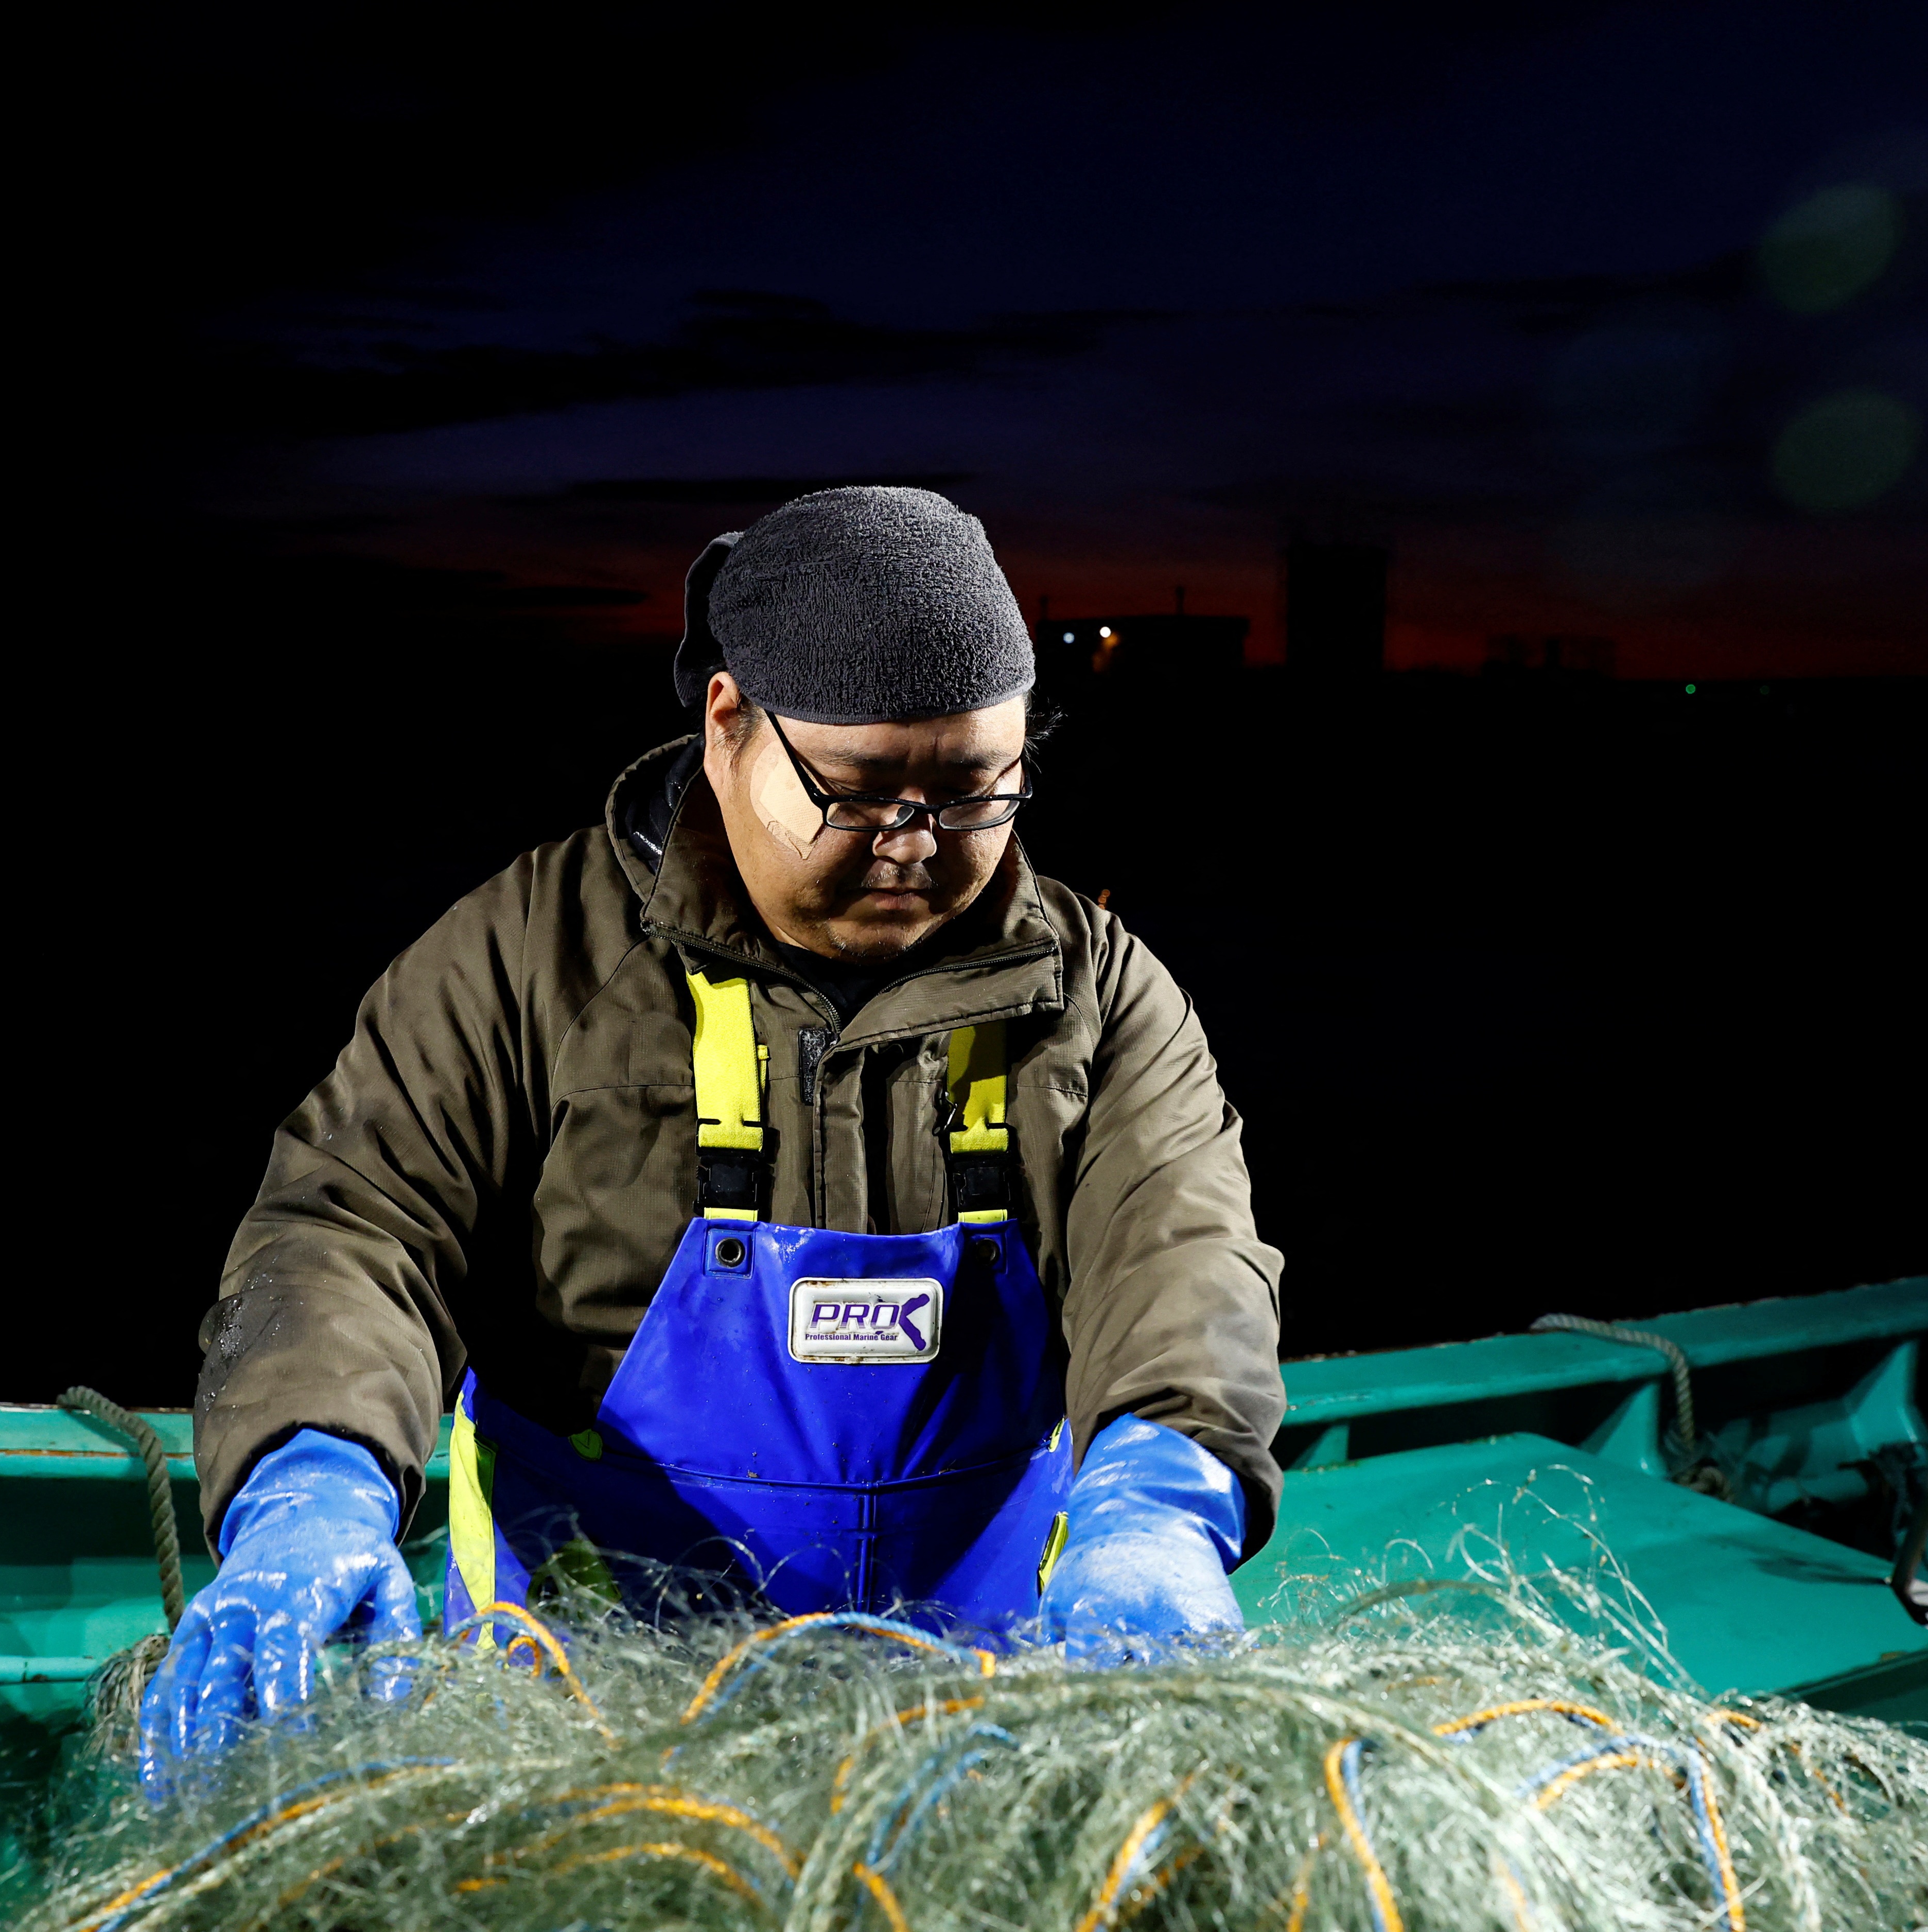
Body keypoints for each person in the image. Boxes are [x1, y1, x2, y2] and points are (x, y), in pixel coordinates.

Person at [142, 487, 1285, 1772]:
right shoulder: (527, 957)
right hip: (576, 1711)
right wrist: (314, 1476)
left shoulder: (1098, 991)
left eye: (972, 791)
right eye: (858, 793)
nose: (915, 845)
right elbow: (353, 1228)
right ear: (728, 721)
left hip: (988, 1714)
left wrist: (1159, 1508)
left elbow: (1182, 1255)